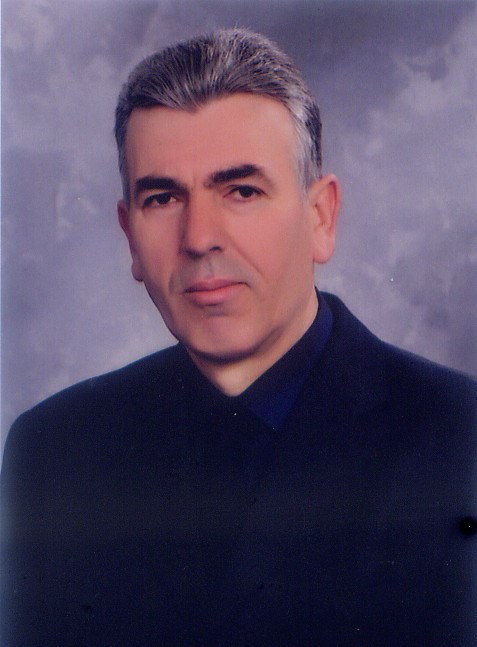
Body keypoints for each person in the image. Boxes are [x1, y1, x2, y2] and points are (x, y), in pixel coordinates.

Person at [1, 28, 476, 647]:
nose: (200, 237)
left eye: (242, 191)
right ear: (129, 236)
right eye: (163, 198)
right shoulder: (55, 453)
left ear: (321, 218)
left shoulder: (461, 440)